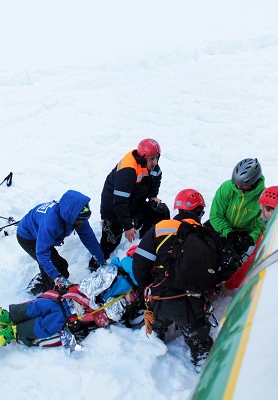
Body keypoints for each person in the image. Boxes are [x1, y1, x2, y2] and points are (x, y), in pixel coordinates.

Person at [132, 189, 216, 369]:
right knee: (200, 344)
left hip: (161, 300)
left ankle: (154, 339)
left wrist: (144, 289)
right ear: (200, 212)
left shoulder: (162, 227)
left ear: (178, 209)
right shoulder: (206, 235)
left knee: (155, 326)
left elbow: (140, 263)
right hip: (192, 306)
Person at [0, 256, 140, 348]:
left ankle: (16, 331)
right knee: (45, 308)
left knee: (49, 315)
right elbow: (94, 287)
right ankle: (12, 318)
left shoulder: (121, 279)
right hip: (75, 299)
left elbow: (111, 312)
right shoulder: (115, 272)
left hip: (77, 307)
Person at [95, 138, 169, 269]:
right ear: (143, 157)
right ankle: (97, 263)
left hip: (134, 201)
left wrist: (152, 197)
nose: (155, 162)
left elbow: (156, 181)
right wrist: (128, 226)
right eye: (151, 159)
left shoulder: (154, 168)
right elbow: (119, 202)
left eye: (157, 158)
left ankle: (145, 241)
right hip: (113, 207)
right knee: (111, 240)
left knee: (159, 211)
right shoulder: (128, 171)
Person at [17, 189, 107, 295]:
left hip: (41, 234)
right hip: (28, 236)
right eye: (80, 220)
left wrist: (101, 261)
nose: (82, 223)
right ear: (70, 216)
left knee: (61, 266)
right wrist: (56, 277)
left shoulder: (77, 217)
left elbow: (89, 239)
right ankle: (47, 294)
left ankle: (44, 278)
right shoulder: (51, 223)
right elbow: (42, 252)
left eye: (84, 220)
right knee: (56, 269)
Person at [218, 185, 278, 295]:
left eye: (262, 212)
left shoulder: (271, 233)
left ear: (271, 210)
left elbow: (252, 261)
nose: (262, 217)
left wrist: (230, 284)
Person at [207, 158, 265, 258]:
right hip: (221, 227)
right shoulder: (227, 188)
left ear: (254, 182)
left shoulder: (262, 198)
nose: (238, 187)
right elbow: (216, 216)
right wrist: (228, 233)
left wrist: (250, 239)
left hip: (245, 233)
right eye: (237, 183)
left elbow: (262, 225)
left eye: (243, 185)